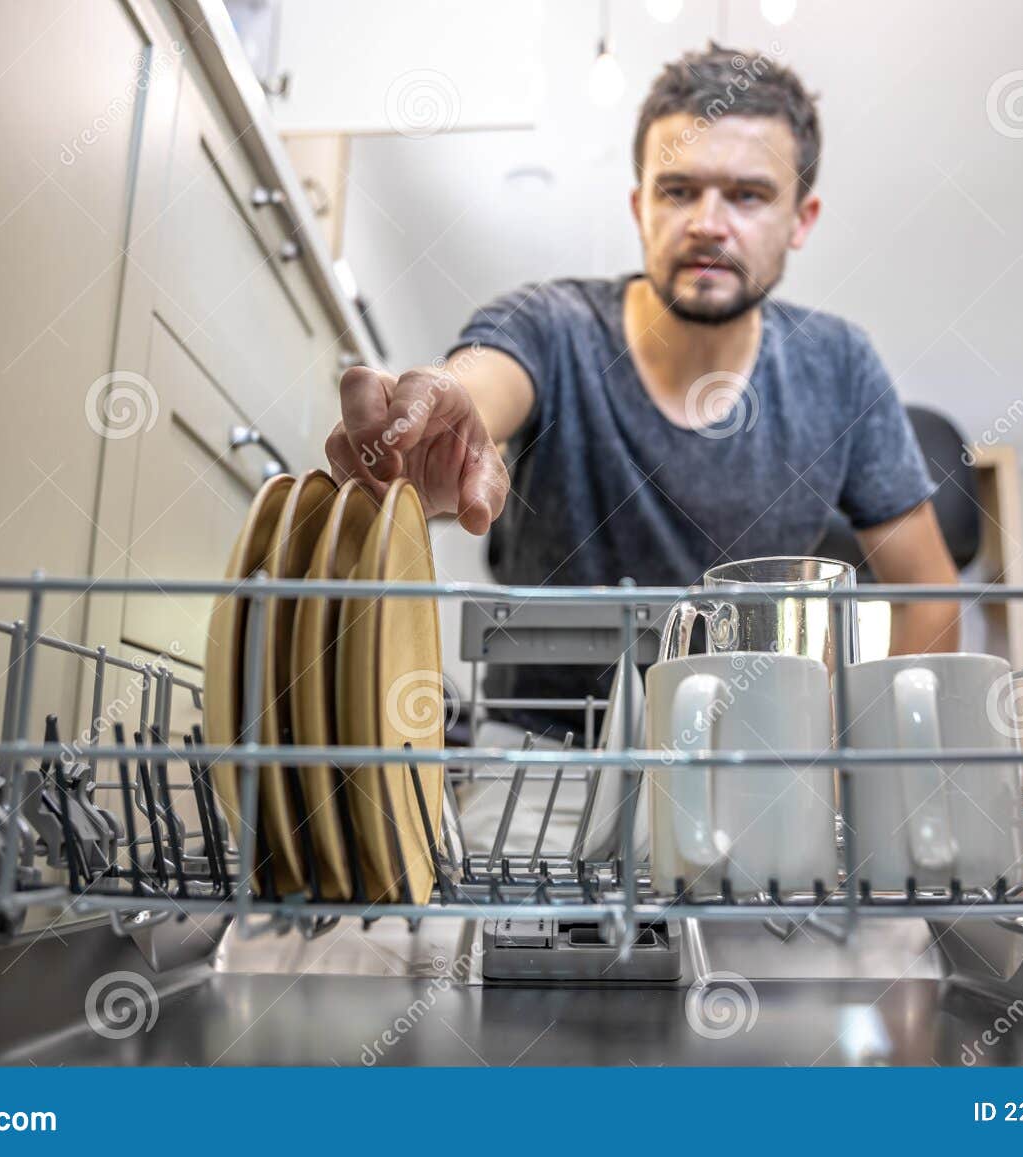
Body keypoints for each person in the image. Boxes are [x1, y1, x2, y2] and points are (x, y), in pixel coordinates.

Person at [326, 43, 960, 741]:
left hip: (756, 764)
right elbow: (481, 386)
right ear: (639, 206)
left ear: (801, 219)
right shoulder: (550, 326)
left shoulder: (840, 366)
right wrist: (440, 423)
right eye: (678, 189)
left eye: (748, 195)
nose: (708, 223)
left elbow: (928, 593)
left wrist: (847, 758)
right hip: (538, 773)